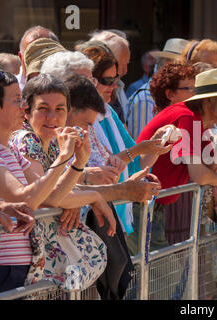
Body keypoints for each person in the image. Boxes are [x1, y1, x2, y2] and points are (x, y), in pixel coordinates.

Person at [0, 69, 111, 293]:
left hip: (24, 267)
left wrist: (79, 163)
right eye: (16, 101)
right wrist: (66, 160)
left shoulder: (9, 151)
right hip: (6, 268)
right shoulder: (23, 140)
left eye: (60, 109)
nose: (22, 107)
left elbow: (49, 195)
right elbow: (32, 198)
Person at [137, 68, 217, 247]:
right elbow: (200, 175)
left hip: (152, 206)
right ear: (210, 101)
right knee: (165, 273)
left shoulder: (198, 120)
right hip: (140, 207)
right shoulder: (186, 116)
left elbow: (212, 170)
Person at [79, 42, 172, 235]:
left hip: (118, 215)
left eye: (116, 79)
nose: (114, 86)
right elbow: (105, 169)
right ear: (89, 80)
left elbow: (137, 165)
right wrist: (141, 148)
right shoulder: (77, 118)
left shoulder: (109, 112)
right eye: (107, 80)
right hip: (94, 221)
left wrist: (154, 146)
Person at [126, 38, 189, 139]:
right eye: (181, 71)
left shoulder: (174, 96)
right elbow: (141, 148)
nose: (186, 76)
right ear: (166, 67)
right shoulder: (145, 99)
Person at [90, 30, 131, 123]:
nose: (125, 70)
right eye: (123, 64)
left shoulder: (113, 92)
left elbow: (125, 135)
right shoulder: (83, 112)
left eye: (127, 63)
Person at [17, 26, 59, 90]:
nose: (37, 62)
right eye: (31, 55)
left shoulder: (71, 85)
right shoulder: (8, 89)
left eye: (44, 55)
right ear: (21, 57)